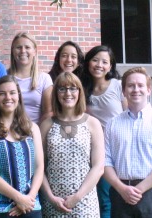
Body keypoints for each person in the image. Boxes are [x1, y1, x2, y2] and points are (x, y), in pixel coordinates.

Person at [0, 75, 44, 217]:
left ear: (19, 96)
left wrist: (28, 199)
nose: (8, 97)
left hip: (31, 207)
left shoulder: (32, 128)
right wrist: (19, 198)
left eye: (12, 92)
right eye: (2, 94)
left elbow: (39, 167)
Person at [39, 72, 104, 217]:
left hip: (85, 203)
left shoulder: (92, 123)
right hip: (54, 203)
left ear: (80, 92)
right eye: (62, 89)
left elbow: (98, 167)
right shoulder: (46, 125)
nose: (68, 93)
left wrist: (77, 197)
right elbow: (39, 167)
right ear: (56, 94)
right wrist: (50, 197)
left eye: (73, 88)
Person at [104, 67, 152, 218]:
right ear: (124, 91)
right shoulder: (112, 124)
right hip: (120, 193)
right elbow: (105, 161)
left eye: (140, 85)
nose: (135, 89)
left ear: (149, 90)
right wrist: (123, 189)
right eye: (130, 85)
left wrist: (139, 189)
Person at [81, 45, 128, 218]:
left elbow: (128, 115)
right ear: (88, 63)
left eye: (104, 62)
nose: (99, 65)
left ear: (110, 66)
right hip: (97, 149)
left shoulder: (117, 85)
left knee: (118, 196)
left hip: (119, 147)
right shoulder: (83, 90)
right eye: (95, 60)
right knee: (103, 197)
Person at [8, 32, 53, 124]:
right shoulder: (4, 77)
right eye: (18, 47)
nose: (23, 51)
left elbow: (48, 113)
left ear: (34, 51)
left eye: (27, 47)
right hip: (8, 133)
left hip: (35, 133)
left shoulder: (44, 79)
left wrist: (36, 133)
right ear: (13, 51)